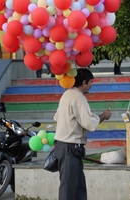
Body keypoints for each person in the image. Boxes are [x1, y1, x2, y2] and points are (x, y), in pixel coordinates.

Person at [53, 68, 112, 200]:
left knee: (78, 187)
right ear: (84, 82)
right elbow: (90, 124)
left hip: (67, 147)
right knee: (68, 189)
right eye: (91, 82)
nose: (92, 85)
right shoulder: (79, 98)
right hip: (69, 148)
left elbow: (57, 117)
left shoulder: (67, 94)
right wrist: (104, 115)